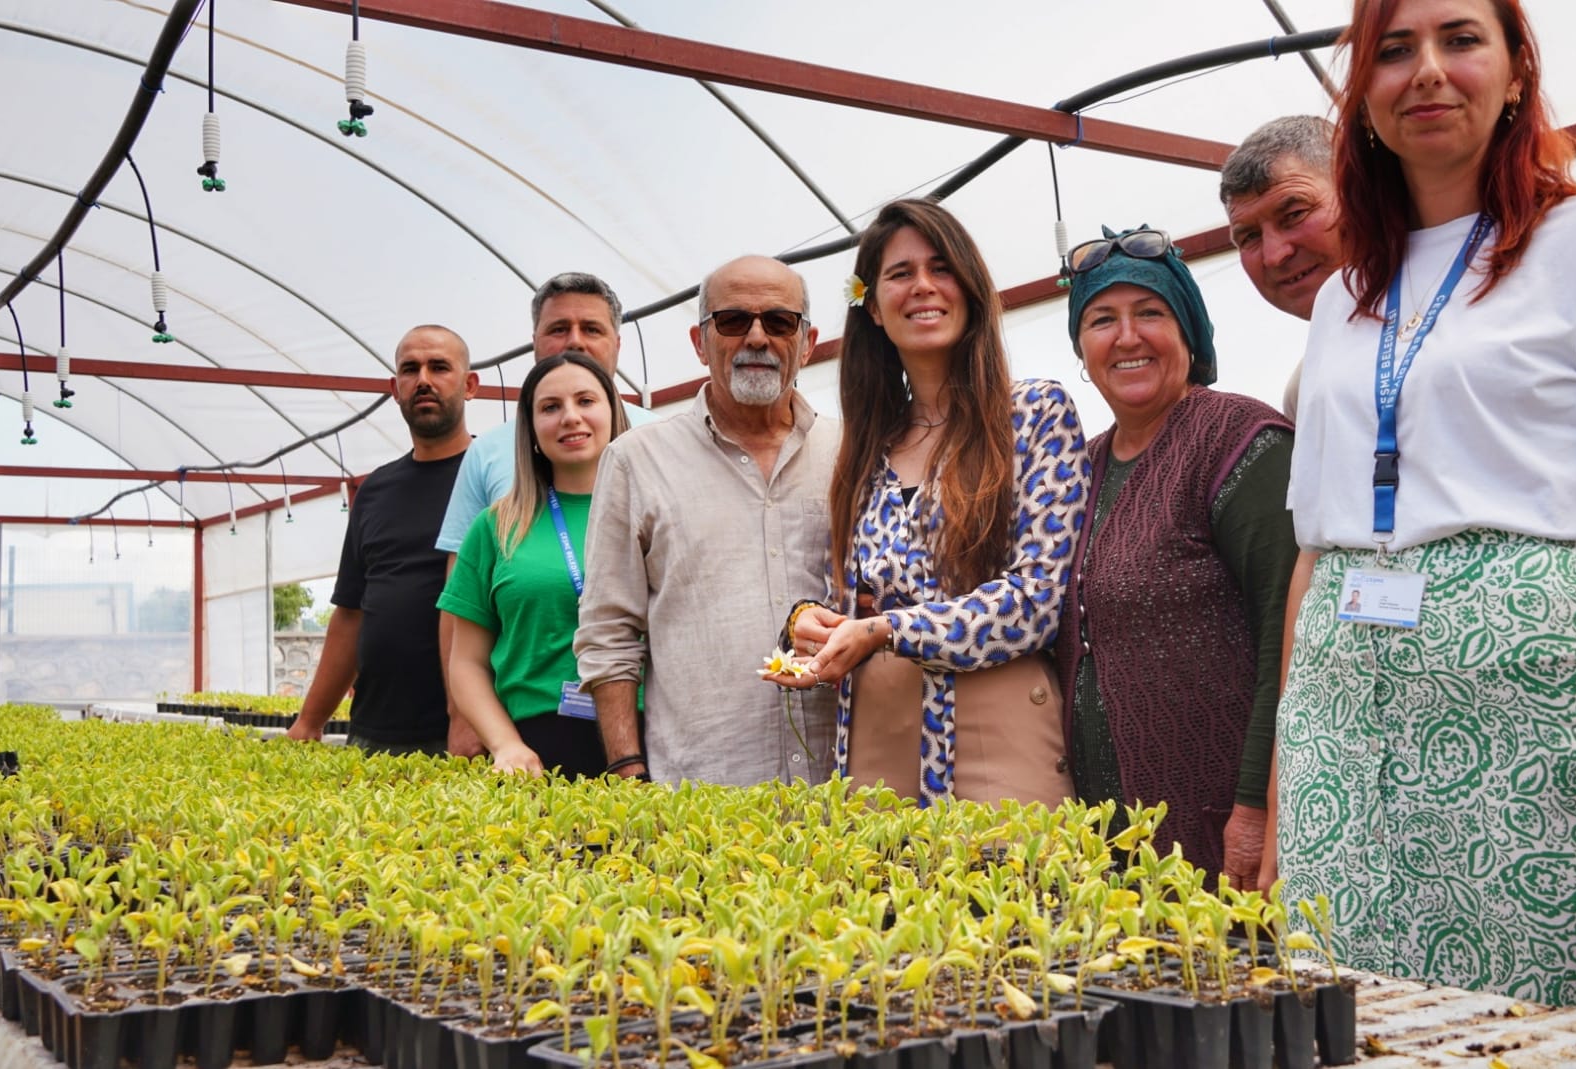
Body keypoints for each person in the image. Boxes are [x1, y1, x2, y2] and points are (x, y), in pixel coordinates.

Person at [1274, 0, 1576, 1007]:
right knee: (1349, 999)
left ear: (1514, 75)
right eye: (1393, 51)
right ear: (1360, 99)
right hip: (1342, 714)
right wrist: (1287, 757)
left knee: (1528, 1004)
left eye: (1460, 40)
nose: (1426, 72)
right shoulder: (1343, 293)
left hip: (1529, 709)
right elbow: (1315, 539)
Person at [767, 198, 1089, 807]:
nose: (923, 286)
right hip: (877, 742)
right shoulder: (865, 453)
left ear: (970, 288)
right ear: (875, 311)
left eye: (941, 268)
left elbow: (1037, 601)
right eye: (900, 273)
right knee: (883, 900)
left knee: (1016, 898)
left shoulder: (1035, 415)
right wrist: (809, 623)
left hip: (994, 734)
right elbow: (849, 598)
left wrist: (889, 628)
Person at [1056, 227, 1296, 889]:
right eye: (1102, 319)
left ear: (1189, 331)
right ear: (1082, 347)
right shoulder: (1083, 466)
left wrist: (1256, 805)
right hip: (1113, 841)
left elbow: (1291, 632)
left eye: (1151, 314)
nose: (1127, 337)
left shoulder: (1240, 441)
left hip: (1221, 822)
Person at [574, 255, 840, 786]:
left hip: (849, 788)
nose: (758, 338)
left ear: (807, 344)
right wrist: (627, 770)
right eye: (733, 321)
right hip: (700, 796)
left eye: (780, 322)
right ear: (700, 342)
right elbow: (609, 633)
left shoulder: (849, 450)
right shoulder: (635, 460)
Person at [435, 271, 652, 755]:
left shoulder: (656, 516)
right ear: (530, 429)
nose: (570, 417)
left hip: (653, 741)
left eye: (586, 401)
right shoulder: (495, 527)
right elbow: (465, 661)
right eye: (550, 407)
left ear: (614, 413)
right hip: (533, 750)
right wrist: (505, 746)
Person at [286, 324, 478, 754]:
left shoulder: (496, 476)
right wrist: (310, 721)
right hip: (374, 731)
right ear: (395, 388)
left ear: (470, 386)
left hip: (466, 733)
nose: (423, 379)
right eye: (410, 369)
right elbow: (351, 614)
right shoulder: (375, 489)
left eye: (439, 367)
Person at [1220, 115, 1343, 420]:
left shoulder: (1466, 302)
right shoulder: (1304, 392)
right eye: (1249, 237)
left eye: (1295, 214)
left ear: (1359, 191)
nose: (1274, 255)